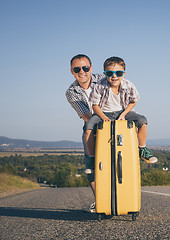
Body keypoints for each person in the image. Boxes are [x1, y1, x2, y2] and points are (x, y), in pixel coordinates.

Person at [84, 56, 158, 169]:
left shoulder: (129, 85)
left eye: (118, 73)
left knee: (142, 120)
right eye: (110, 73)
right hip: (103, 112)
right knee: (88, 127)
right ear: (105, 74)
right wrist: (104, 117)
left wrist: (123, 114)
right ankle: (91, 158)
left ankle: (142, 149)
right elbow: (95, 105)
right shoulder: (99, 86)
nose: (114, 76)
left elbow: (133, 101)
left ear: (123, 74)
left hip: (122, 111)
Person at [65, 54, 104, 213]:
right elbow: (86, 115)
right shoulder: (71, 92)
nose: (82, 71)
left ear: (91, 68)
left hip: (116, 123)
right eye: (77, 69)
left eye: (85, 67)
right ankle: (100, 201)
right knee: (91, 167)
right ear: (72, 72)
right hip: (92, 126)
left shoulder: (104, 78)